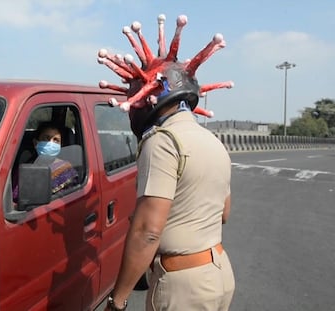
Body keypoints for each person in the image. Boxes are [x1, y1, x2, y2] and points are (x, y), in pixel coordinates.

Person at [99, 14, 235, 311]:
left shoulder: (162, 141)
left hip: (183, 285)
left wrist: (118, 300)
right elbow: (223, 213)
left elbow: (148, 230)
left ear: (148, 98)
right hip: (219, 273)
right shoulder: (214, 143)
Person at [12, 121, 78, 201]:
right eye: (46, 138)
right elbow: (15, 197)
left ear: (60, 146)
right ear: (36, 143)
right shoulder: (24, 168)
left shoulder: (66, 170)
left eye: (56, 140)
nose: (51, 143)